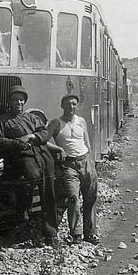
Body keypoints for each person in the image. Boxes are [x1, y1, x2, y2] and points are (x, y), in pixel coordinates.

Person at [0, 85, 58, 245]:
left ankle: (51, 232)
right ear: (10, 102)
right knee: (33, 176)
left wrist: (31, 136)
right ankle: (24, 213)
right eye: (15, 100)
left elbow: (44, 132)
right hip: (24, 156)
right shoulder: (3, 120)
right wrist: (17, 143)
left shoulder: (32, 118)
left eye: (21, 100)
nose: (19, 103)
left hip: (43, 154)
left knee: (49, 189)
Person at [43, 93, 100, 245]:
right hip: (69, 165)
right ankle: (76, 233)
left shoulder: (81, 121)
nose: (71, 107)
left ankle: (91, 232)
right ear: (62, 106)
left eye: (74, 104)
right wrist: (58, 149)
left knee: (90, 198)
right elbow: (44, 141)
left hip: (85, 161)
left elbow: (87, 142)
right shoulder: (56, 123)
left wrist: (91, 161)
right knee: (73, 198)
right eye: (68, 104)